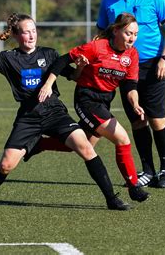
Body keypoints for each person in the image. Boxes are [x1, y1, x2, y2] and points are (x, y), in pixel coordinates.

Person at [0, 13, 130, 211]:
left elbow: (75, 76)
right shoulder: (9, 59)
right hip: (29, 118)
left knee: (86, 148)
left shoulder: (49, 54)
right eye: (26, 32)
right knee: (6, 165)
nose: (32, 36)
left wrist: (80, 68)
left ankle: (111, 199)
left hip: (55, 113)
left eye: (34, 31)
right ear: (17, 36)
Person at [37, 13, 149, 203]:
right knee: (122, 138)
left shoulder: (132, 55)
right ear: (116, 30)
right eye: (129, 33)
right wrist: (48, 84)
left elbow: (130, 87)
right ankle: (133, 186)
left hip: (104, 102)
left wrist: (136, 104)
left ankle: (37, 144)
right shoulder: (97, 47)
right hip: (86, 99)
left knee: (82, 145)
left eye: (136, 34)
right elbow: (62, 60)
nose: (133, 38)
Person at [96, 0, 165, 188]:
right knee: (137, 119)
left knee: (156, 118)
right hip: (122, 67)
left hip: (153, 65)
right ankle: (148, 170)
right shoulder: (109, 1)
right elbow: (102, 35)